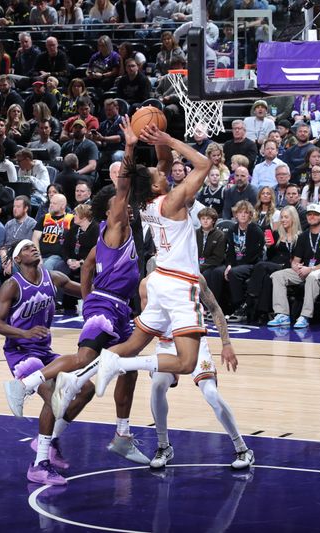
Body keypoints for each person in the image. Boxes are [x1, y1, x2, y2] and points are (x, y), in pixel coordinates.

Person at [6, 116, 147, 463]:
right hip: (107, 306)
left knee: (127, 369)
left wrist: (86, 298)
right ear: (110, 210)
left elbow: (86, 267)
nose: (125, 205)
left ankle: (123, 434)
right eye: (119, 203)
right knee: (85, 360)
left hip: (115, 307)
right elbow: (124, 188)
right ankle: (25, 385)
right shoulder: (114, 227)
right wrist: (129, 147)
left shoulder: (111, 239)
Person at [83, 121, 215, 401]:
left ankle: (77, 378)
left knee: (132, 343)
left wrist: (154, 136)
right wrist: (170, 138)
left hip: (158, 281)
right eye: (159, 173)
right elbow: (203, 164)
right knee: (186, 363)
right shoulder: (173, 201)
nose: (163, 170)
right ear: (157, 184)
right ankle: (120, 364)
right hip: (179, 284)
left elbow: (163, 159)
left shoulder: (145, 202)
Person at [0, 240, 91, 484]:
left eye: (33, 246)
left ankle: (49, 440)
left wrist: (104, 281)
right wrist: (24, 333)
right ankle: (39, 465)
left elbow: (87, 292)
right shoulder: (12, 286)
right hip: (21, 352)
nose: (32, 248)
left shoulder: (53, 277)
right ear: (16, 260)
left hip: (45, 351)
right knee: (53, 394)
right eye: (25, 248)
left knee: (87, 389)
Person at [141, 267, 253, 470]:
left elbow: (215, 309)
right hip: (167, 343)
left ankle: (242, 448)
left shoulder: (194, 277)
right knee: (157, 385)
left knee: (210, 393)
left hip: (195, 340)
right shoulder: (147, 283)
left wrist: (226, 344)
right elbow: (148, 323)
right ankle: (163, 446)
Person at [267, 204, 320, 329]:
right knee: (277, 275)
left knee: (312, 276)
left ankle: (305, 316)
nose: (312, 217)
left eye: (315, 214)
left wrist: (310, 269)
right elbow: (296, 260)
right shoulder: (303, 236)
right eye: (309, 214)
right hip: (303, 270)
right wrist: (295, 266)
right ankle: (282, 314)